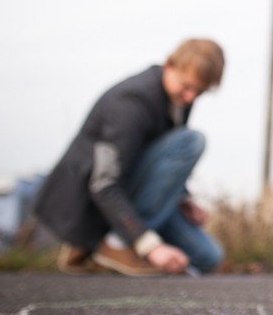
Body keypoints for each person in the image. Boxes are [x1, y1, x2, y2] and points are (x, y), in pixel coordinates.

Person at [34, 38, 226, 277]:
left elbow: (157, 158)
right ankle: (114, 245)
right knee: (191, 141)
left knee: (207, 257)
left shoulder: (178, 99)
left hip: (135, 197)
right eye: (187, 87)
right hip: (96, 207)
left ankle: (109, 250)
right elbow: (104, 185)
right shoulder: (130, 104)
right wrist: (148, 245)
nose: (190, 97)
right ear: (169, 65)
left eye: (199, 92)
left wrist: (182, 197)